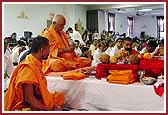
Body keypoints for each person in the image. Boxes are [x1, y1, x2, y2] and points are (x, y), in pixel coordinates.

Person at [4, 36, 64, 111]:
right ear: (42, 50)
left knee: (59, 97)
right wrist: (48, 110)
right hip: (23, 105)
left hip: (34, 100)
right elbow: (29, 99)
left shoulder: (36, 64)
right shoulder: (28, 68)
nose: (50, 51)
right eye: (48, 48)